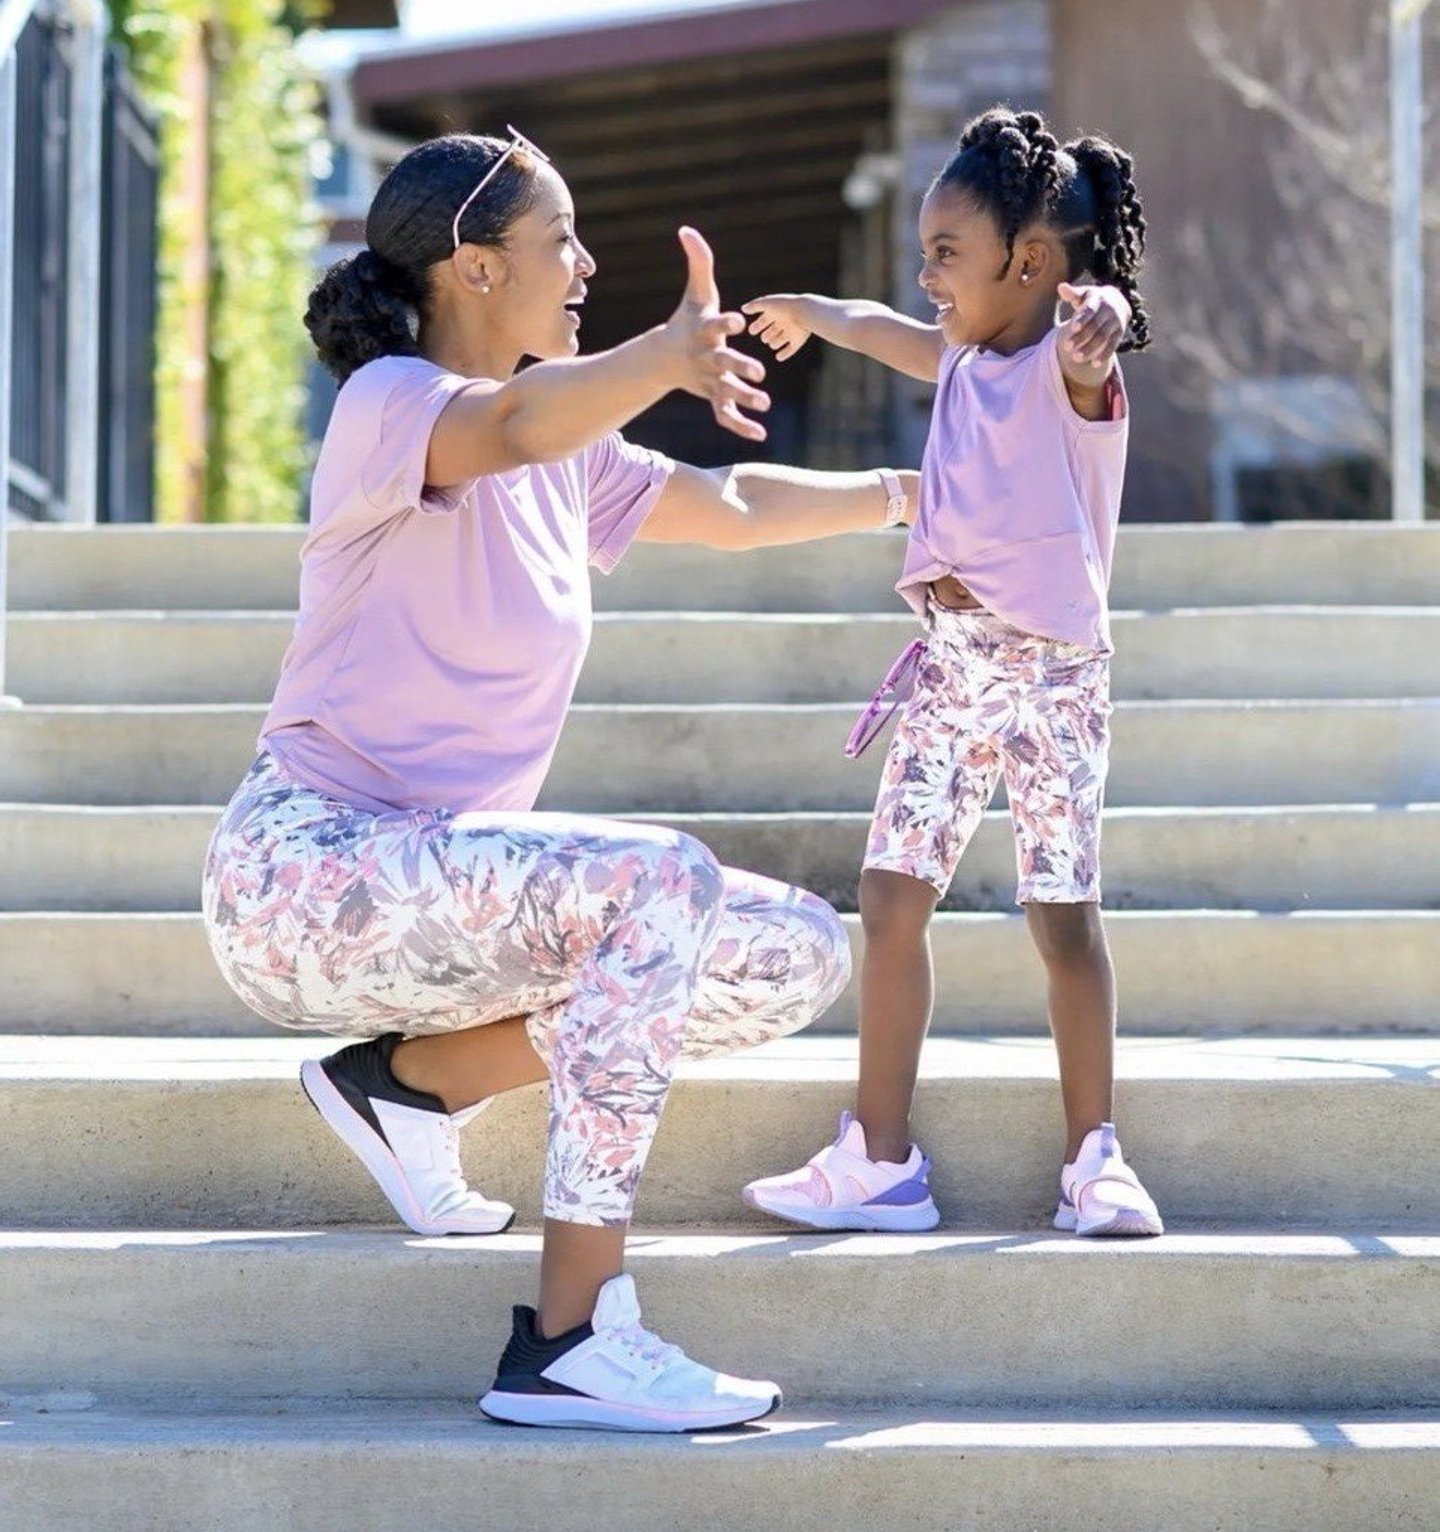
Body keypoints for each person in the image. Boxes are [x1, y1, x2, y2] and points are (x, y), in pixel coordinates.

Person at [201, 127, 919, 1433]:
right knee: (657, 882)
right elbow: (516, 420)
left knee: (789, 953)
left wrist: (911, 495)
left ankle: (410, 1087)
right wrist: (662, 353)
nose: (584, 265)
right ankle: (573, 1337)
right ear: (474, 270)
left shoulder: (568, 456)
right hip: (305, 875)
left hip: (449, 896)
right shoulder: (391, 408)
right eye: (559, 244)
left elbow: (730, 500)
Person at [741, 106, 1165, 1240]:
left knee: (1060, 913)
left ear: (1030, 264)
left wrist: (1099, 325)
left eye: (945, 254)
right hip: (951, 664)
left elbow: (1099, 337)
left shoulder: (1067, 378)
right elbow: (884, 326)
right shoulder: (965, 360)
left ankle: (1097, 1161)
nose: (927, 277)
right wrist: (813, 314)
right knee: (891, 896)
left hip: (1056, 676)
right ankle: (878, 1159)